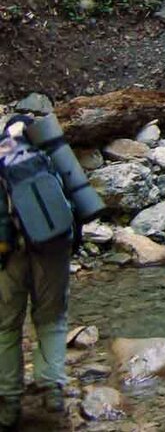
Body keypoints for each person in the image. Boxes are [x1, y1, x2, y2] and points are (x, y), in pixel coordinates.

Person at [0, 114, 71, 432]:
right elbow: (73, 205)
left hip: (8, 254)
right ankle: (52, 391)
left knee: (6, 327)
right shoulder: (50, 151)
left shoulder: (3, 157)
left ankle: (9, 401)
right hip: (52, 248)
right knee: (52, 318)